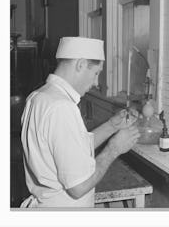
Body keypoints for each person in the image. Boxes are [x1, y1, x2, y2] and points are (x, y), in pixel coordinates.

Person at [20, 37, 140, 208]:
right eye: (96, 73)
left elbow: (71, 149)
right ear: (81, 64)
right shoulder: (62, 107)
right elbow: (79, 187)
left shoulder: (39, 97)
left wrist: (112, 125)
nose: (96, 82)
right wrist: (114, 148)